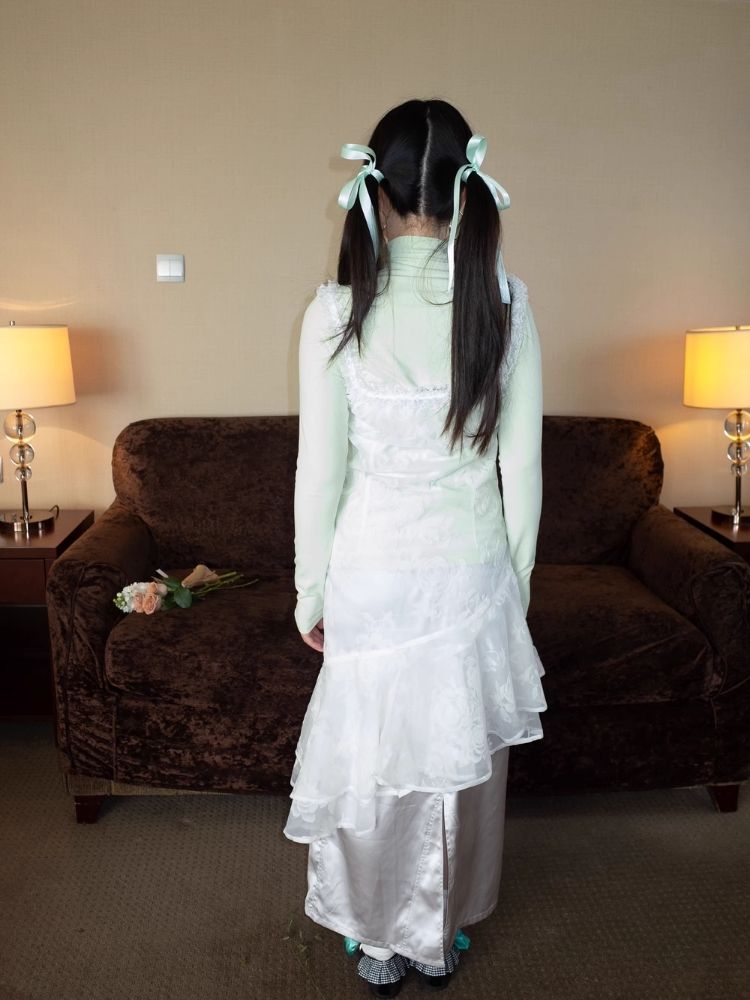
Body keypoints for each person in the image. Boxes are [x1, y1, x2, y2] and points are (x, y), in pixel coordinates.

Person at [283, 98, 547, 997]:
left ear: (377, 191)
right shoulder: (505, 303)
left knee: (373, 760)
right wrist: (515, 586)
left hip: (374, 575)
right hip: (470, 576)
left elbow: (320, 472)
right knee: (457, 766)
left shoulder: (335, 312)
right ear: (465, 191)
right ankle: (438, 934)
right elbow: (523, 466)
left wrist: (310, 591)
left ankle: (379, 940)